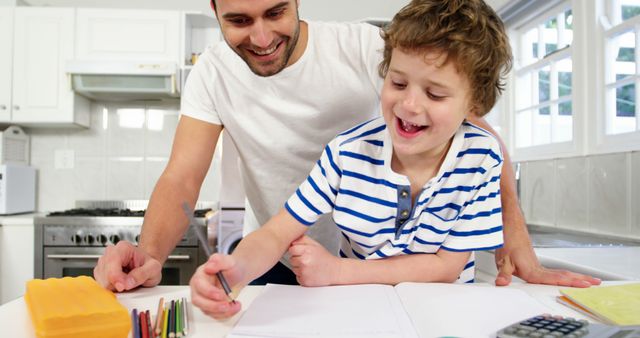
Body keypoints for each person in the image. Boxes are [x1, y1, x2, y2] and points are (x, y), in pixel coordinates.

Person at [93, 0, 600, 293]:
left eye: (275, 11)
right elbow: (182, 176)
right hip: (290, 252)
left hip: (363, 266)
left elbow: (478, 136)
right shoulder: (215, 75)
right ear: (215, 11)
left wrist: (520, 249)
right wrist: (150, 255)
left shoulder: (367, 47)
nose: (263, 36)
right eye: (240, 21)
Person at [189, 0, 516, 319]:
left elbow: (446, 268)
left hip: (445, 315)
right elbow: (276, 233)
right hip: (361, 313)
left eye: (435, 94)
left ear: (475, 103)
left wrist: (338, 270)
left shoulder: (481, 158)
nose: (409, 104)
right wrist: (236, 270)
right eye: (398, 82)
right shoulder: (347, 153)